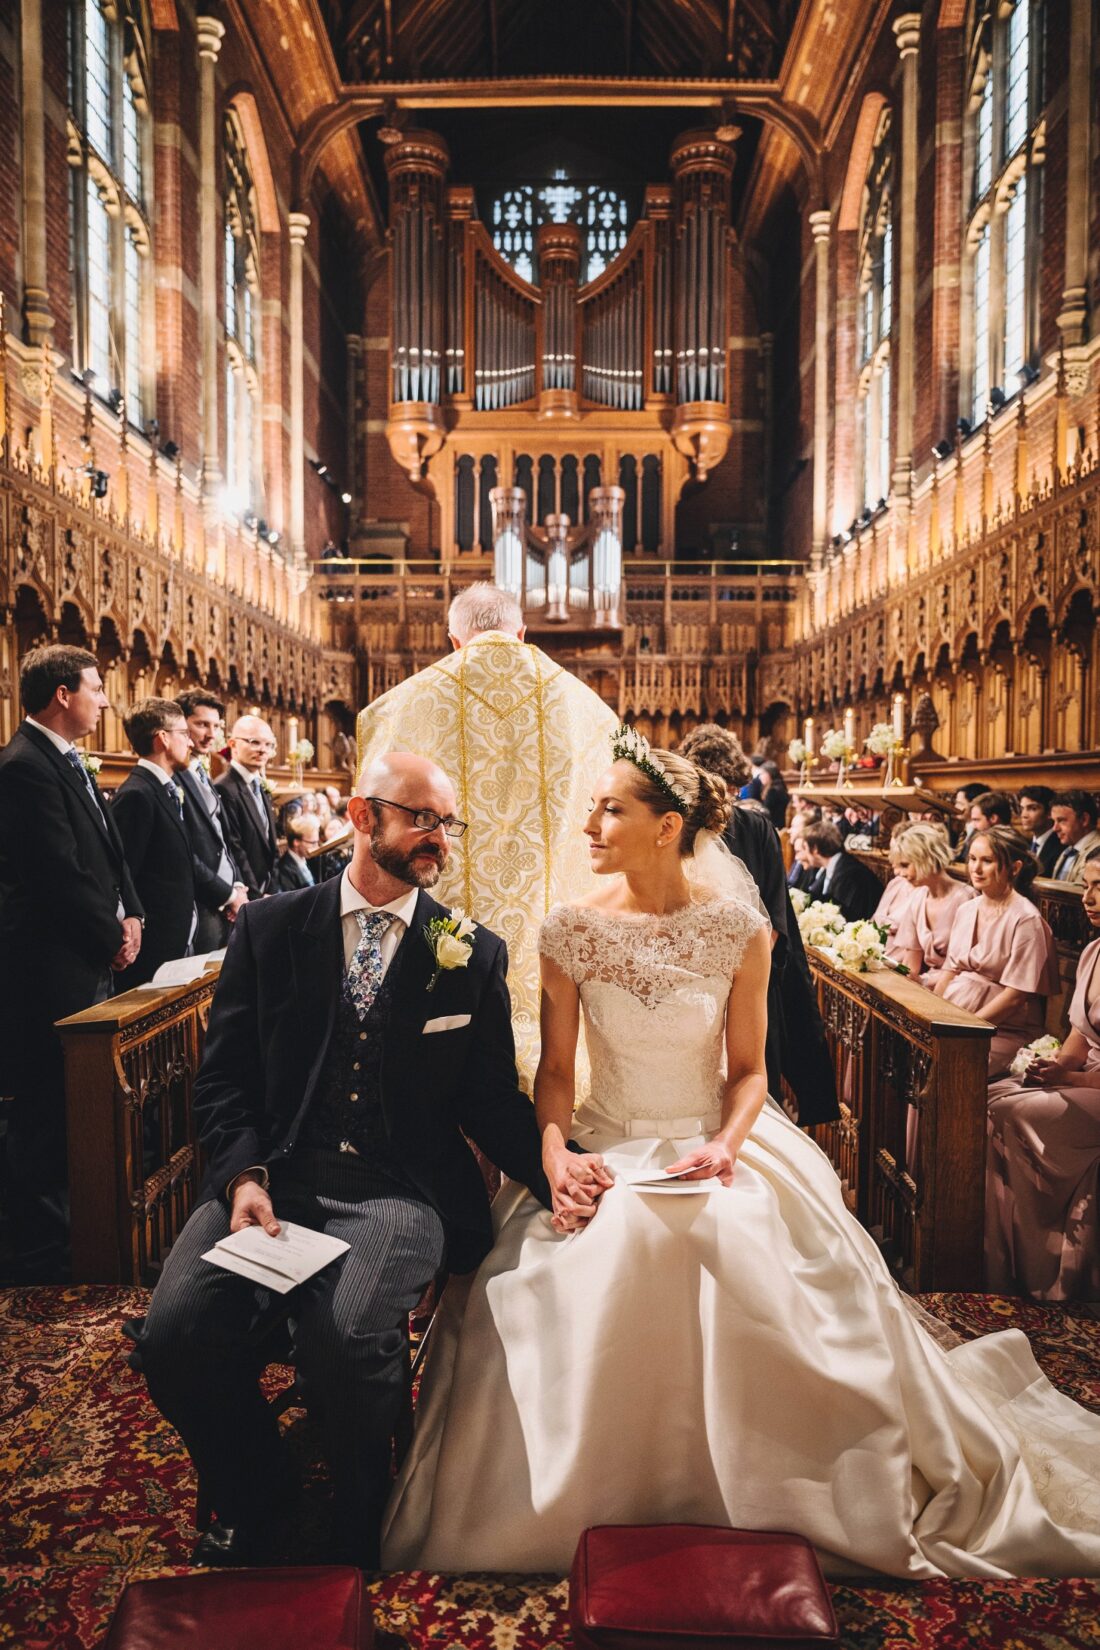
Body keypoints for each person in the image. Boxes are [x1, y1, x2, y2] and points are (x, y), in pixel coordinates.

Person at [383, 733, 1100, 1580]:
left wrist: (725, 1146)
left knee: (742, 1248)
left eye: (612, 807)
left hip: (710, 1137)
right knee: (562, 1264)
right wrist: (551, 1155)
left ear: (667, 825)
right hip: (605, 1137)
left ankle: (781, 1491)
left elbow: (751, 1070)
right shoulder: (570, 930)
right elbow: (554, 1075)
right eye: (595, 804)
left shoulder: (738, 931)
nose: (591, 821)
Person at [135, 753, 555, 1569]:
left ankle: (360, 1517)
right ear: (363, 818)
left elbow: (489, 1103)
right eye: (422, 819)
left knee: (344, 1333)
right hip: (275, 1180)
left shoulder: (467, 951)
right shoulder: (271, 926)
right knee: (173, 1337)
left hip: (397, 1191)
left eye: (447, 823)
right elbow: (225, 1079)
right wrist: (244, 1178)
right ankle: (261, 1491)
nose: (439, 838)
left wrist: (558, 1166)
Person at [356, 582, 616, 1085]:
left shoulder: (400, 706)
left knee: (443, 1086)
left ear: (454, 640)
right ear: (521, 632)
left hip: (436, 939)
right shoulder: (590, 712)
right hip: (556, 939)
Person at [0, 645, 143, 1281]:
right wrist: (107, 933)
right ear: (62, 694)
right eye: (95, 687)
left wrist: (131, 913)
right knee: (45, 1106)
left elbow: (108, 856)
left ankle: (72, 1229)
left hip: (85, 953)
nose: (104, 700)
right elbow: (56, 869)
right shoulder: (23, 767)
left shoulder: (65, 761)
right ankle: (37, 1253)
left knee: (74, 1103)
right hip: (50, 966)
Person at [679, 722, 838, 1127]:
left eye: (732, 791)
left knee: (748, 1089)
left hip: (738, 981)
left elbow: (771, 921)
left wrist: (730, 981)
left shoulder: (754, 829)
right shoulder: (677, 828)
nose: (727, 800)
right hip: (706, 981)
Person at [986, 850, 1100, 1301]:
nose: (1088, 897)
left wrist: (1067, 1081)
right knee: (995, 1097)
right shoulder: (1093, 949)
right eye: (1087, 885)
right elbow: (1079, 1034)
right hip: (1086, 1077)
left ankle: (1047, 1268)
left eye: (1099, 886)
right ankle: (1002, 1260)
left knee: (1017, 1115)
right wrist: (1057, 1067)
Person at [934, 826, 1059, 1076]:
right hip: (957, 1017)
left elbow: (1016, 996)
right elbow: (950, 970)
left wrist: (967, 1030)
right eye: (972, 859)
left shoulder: (1026, 919)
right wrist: (933, 1014)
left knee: (947, 1066)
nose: (976, 869)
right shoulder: (967, 909)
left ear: (1015, 868)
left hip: (1003, 1029)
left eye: (987, 861)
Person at [110, 699, 199, 988]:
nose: (191, 742)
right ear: (162, 738)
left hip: (174, 940)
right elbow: (123, 873)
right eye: (184, 733)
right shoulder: (138, 794)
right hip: (152, 948)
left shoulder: (163, 789)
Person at [177, 689, 248, 950]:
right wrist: (227, 894)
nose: (210, 734)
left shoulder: (203, 770)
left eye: (216, 726)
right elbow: (185, 849)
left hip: (225, 897)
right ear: (181, 723)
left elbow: (222, 838)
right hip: (200, 900)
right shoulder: (174, 775)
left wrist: (238, 885)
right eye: (201, 724)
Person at [890, 821, 975, 986]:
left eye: (905, 865)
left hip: (959, 985)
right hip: (926, 983)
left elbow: (961, 967)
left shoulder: (965, 898)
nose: (900, 873)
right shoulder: (918, 897)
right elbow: (910, 963)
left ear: (926, 858)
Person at [214, 715, 279, 899]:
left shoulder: (261, 786)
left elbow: (271, 845)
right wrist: (256, 897)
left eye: (269, 744)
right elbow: (235, 848)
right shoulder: (224, 787)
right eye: (254, 742)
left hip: (267, 891)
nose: (263, 750)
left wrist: (272, 891)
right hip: (249, 895)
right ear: (233, 744)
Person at [801, 819, 883, 920]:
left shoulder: (850, 874)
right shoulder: (831, 868)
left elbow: (844, 916)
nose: (803, 854)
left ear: (815, 849)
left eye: (804, 848)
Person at [1049, 789, 1100, 883]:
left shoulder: (1097, 853)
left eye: (1061, 820)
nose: (1055, 828)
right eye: (1054, 821)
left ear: (1084, 819)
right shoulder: (1068, 851)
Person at [1018, 784, 1060, 878]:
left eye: (1032, 808)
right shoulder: (1025, 844)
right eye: (1022, 808)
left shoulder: (1060, 845)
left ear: (1049, 812)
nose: (1024, 815)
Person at [273, 813, 320, 890]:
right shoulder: (285, 869)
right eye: (313, 843)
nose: (317, 847)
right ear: (296, 842)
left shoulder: (310, 860)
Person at [950, 782, 987, 862]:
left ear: (974, 804)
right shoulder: (959, 829)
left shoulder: (982, 832)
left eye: (960, 803)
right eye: (956, 803)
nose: (956, 807)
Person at [757, 759, 789, 830]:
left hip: (775, 827)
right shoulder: (779, 787)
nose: (760, 777)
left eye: (762, 774)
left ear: (770, 774)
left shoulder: (774, 791)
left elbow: (766, 813)